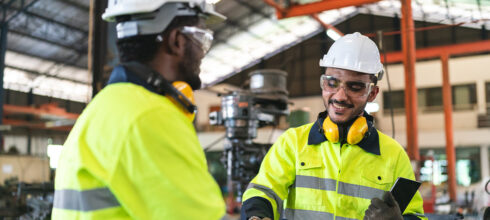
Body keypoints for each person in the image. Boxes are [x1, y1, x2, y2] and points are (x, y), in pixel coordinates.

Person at [51, 0, 227, 219]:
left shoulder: (104, 105)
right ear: (177, 41)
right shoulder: (151, 117)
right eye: (201, 39)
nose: (202, 52)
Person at [241, 32, 426, 220]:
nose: (340, 96)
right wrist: (257, 216)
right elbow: (263, 192)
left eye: (355, 87)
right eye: (332, 83)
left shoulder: (393, 155)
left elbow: (415, 215)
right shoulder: (293, 143)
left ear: (372, 93)